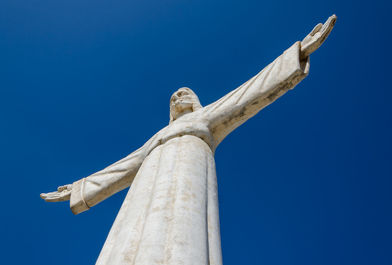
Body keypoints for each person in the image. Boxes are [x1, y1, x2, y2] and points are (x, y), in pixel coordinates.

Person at [41, 15, 336, 265]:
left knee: (185, 228)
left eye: (184, 93)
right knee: (132, 233)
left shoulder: (206, 117)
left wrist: (296, 54)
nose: (178, 96)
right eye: (173, 97)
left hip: (190, 165)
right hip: (149, 179)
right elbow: (120, 169)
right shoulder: (155, 139)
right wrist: (79, 188)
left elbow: (250, 92)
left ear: (196, 101)